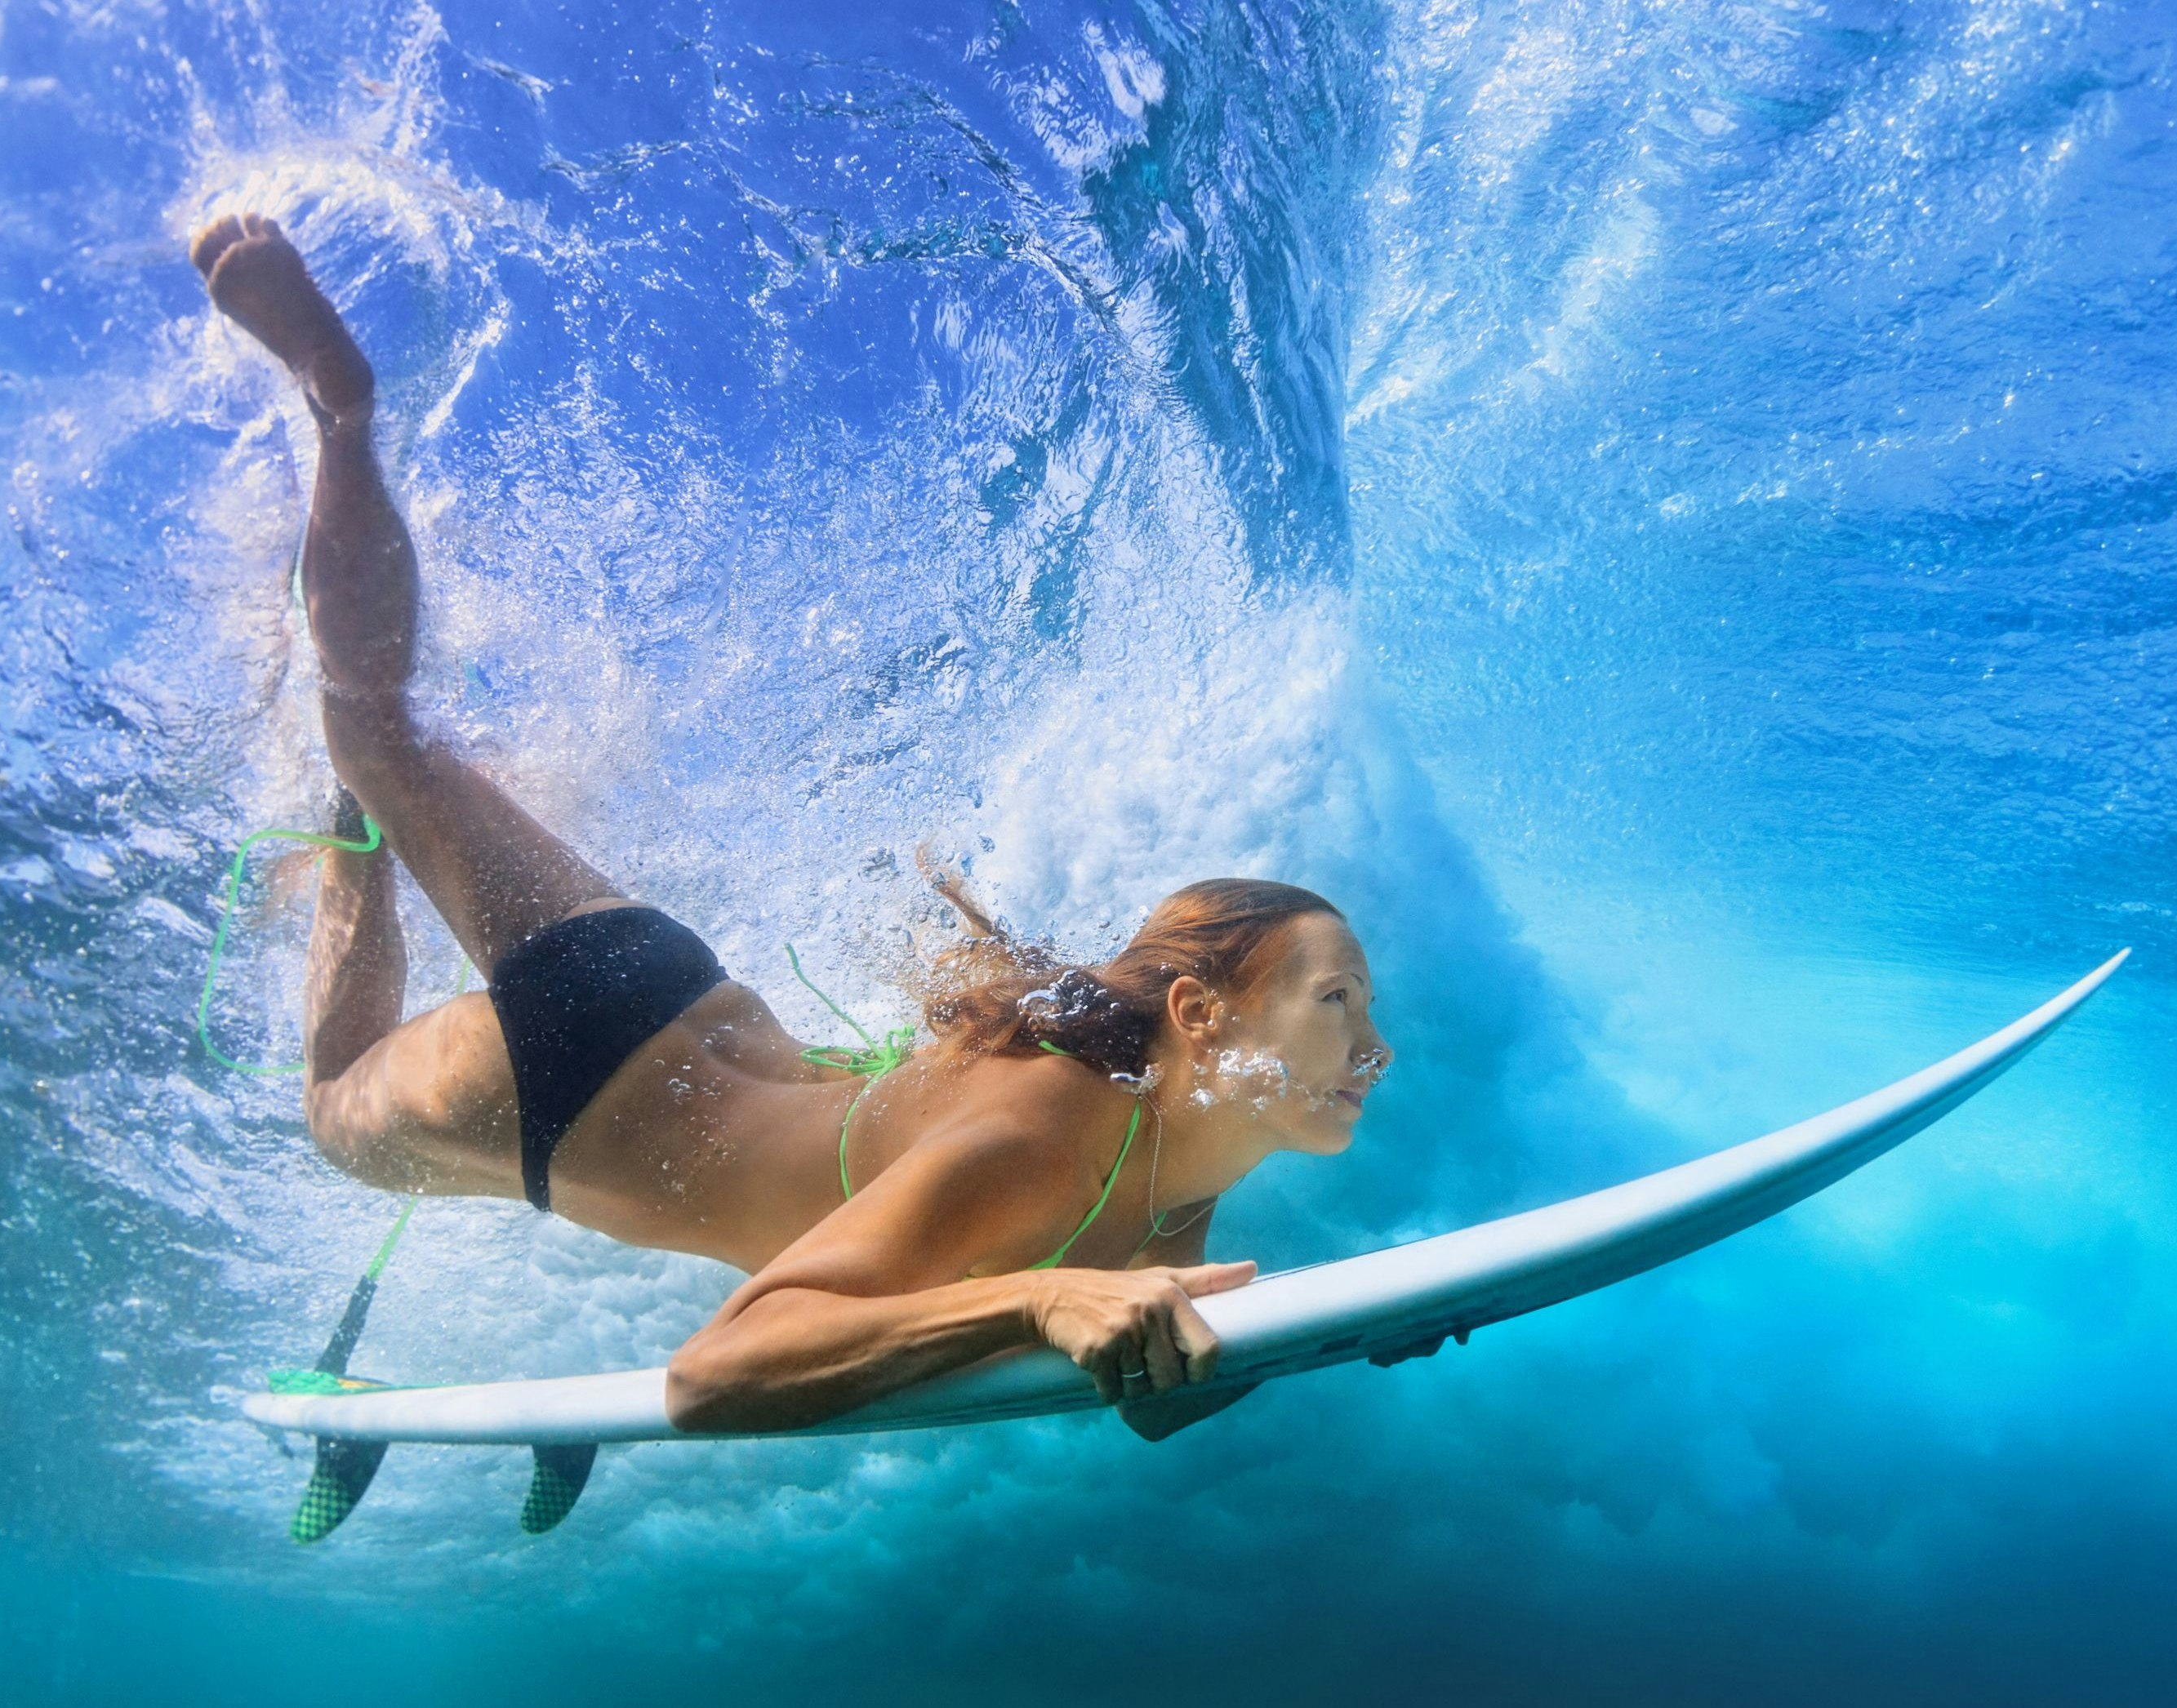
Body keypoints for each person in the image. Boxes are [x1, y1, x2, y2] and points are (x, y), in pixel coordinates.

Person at [190, 214, 1392, 1438]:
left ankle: (343, 457)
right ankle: (354, 780)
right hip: (565, 1092)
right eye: (1338, 1001)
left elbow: (1154, 1404)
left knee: (386, 735)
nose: (1376, 1048)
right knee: (334, 1106)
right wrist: (1038, 1303)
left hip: (668, 987)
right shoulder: (1053, 1130)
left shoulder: (1183, 1146)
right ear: (1201, 1015)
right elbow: (723, 1372)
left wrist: (1366, 1326)